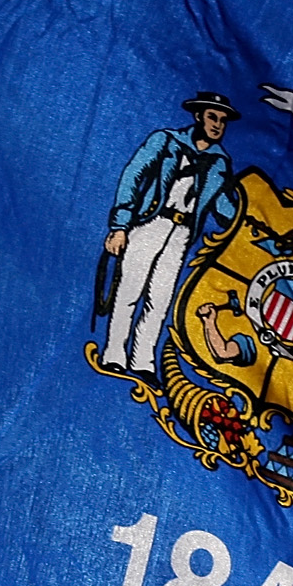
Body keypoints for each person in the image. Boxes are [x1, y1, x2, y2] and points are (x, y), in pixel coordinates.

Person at [101, 92, 238, 376]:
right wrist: (120, 226)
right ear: (198, 116)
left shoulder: (219, 162)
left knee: (160, 299)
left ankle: (142, 361)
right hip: (151, 223)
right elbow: (132, 176)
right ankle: (114, 353)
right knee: (129, 291)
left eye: (223, 120)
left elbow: (223, 207)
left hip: (181, 235)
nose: (217, 125)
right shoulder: (165, 141)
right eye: (212, 117)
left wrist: (247, 220)